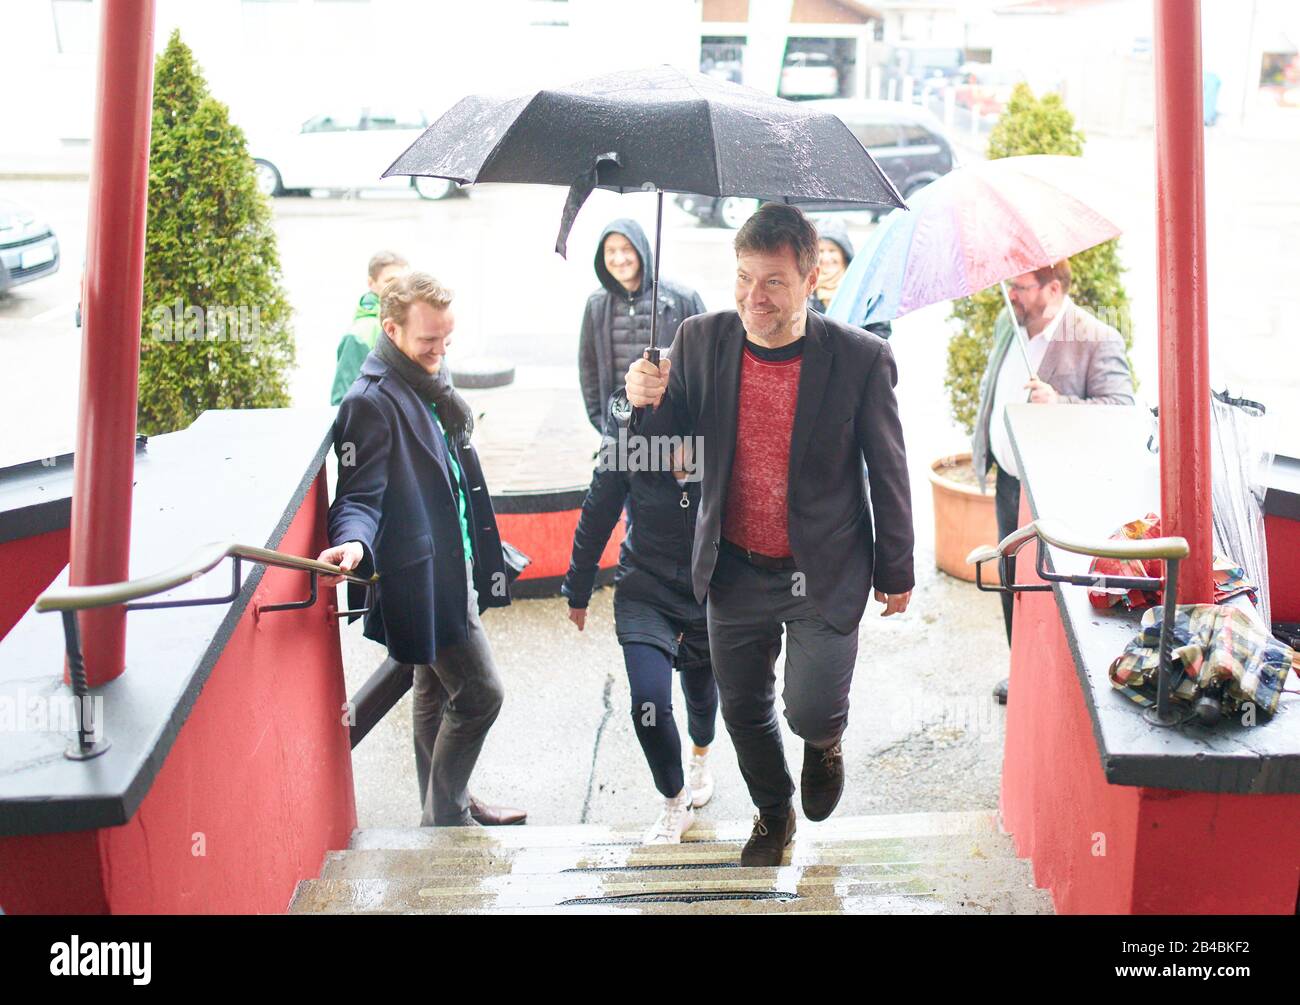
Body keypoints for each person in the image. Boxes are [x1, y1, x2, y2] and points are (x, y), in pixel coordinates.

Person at [623, 203, 915, 866]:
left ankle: (824, 740)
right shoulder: (699, 340)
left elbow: (888, 470)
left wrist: (896, 570)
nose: (754, 296)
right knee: (743, 709)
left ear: (812, 279)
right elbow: (665, 451)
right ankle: (774, 812)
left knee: (809, 707)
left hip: (824, 567)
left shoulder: (860, 359)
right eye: (744, 277)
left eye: (774, 281)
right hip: (733, 567)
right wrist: (646, 400)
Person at [319, 272, 524, 827]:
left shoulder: (425, 376)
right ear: (391, 329)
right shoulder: (371, 401)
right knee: (481, 695)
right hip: (422, 580)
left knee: (432, 689)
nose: (439, 353)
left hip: (452, 563)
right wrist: (352, 543)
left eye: (446, 341)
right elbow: (359, 493)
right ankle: (446, 819)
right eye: (428, 342)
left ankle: (440, 807)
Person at [970, 260, 1135, 704]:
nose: (1011, 295)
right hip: (1008, 479)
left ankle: (1059, 684)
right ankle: (1019, 668)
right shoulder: (1011, 321)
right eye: (1009, 286)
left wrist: (1058, 402)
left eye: (1021, 287)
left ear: (1054, 288)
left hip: (1053, 493)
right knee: (1009, 577)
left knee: (1049, 586)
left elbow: (1122, 411)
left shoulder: (1097, 338)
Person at [561, 408, 719, 844]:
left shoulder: (724, 433)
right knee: (648, 703)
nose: (678, 458)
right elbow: (598, 511)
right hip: (645, 587)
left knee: (702, 696)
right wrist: (578, 587)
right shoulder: (630, 442)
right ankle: (674, 803)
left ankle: (701, 755)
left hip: (710, 587)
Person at [578, 219, 706, 432]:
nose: (619, 259)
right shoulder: (596, 304)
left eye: (627, 249)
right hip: (618, 429)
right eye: (611, 250)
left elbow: (703, 365)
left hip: (671, 431)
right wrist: (603, 424)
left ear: (641, 250)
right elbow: (588, 369)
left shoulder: (683, 300)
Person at [330, 250, 408, 406]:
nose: (399, 287)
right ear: (371, 283)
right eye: (390, 281)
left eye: (405, 280)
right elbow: (342, 403)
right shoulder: (359, 335)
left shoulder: (416, 324)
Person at [806, 218, 892, 339]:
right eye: (821, 251)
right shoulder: (806, 288)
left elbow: (880, 328)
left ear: (844, 254)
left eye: (832, 251)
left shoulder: (862, 286)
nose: (826, 257)